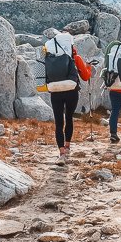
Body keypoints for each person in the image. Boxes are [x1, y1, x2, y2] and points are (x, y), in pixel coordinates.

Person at [40, 32, 91, 163]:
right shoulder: (74, 58)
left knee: (58, 122)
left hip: (55, 91)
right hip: (71, 91)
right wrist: (89, 68)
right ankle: (67, 146)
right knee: (69, 118)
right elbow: (85, 77)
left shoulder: (49, 57)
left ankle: (61, 153)